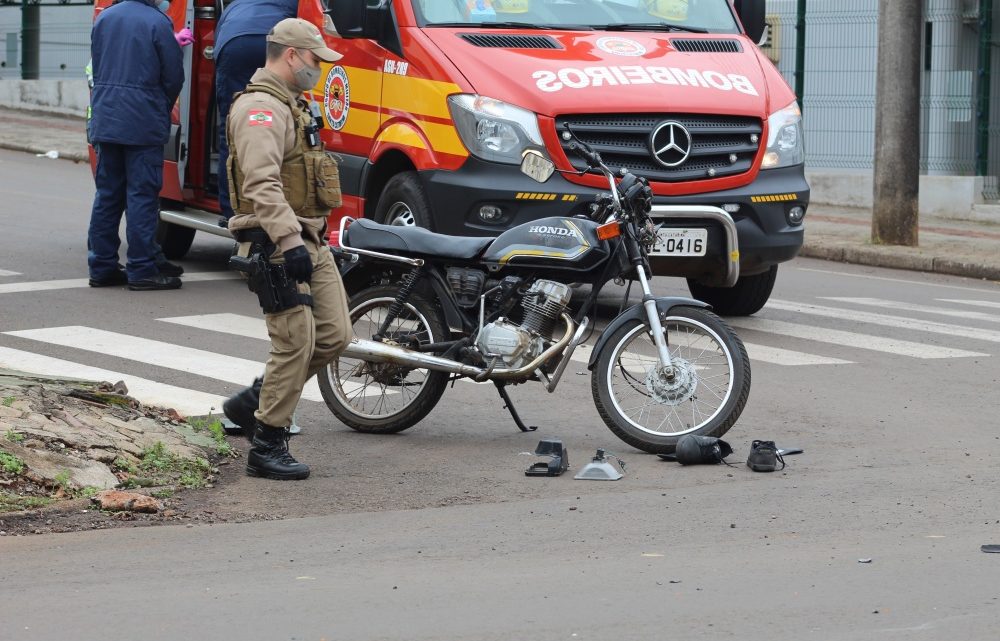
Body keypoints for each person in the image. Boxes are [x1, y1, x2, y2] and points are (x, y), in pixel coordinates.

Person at [224, 18, 352, 480]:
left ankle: (257, 401)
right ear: (292, 55)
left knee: (336, 336)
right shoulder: (261, 109)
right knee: (295, 341)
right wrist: (288, 239)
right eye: (316, 60)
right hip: (275, 240)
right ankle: (266, 444)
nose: (319, 70)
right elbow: (261, 182)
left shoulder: (292, 104)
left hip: (306, 238)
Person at [87, 0, 185, 290]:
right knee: (142, 197)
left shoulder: (105, 18)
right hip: (142, 121)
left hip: (106, 117)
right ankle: (142, 269)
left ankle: (101, 266)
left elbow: (98, 63)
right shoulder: (158, 21)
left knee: (107, 196)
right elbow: (173, 75)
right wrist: (159, 106)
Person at [214, 0, 298, 226]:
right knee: (276, 124)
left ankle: (231, 211)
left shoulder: (237, 4)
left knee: (231, 128)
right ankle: (277, 206)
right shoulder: (291, 4)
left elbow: (218, 35)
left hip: (233, 45)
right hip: (273, 43)